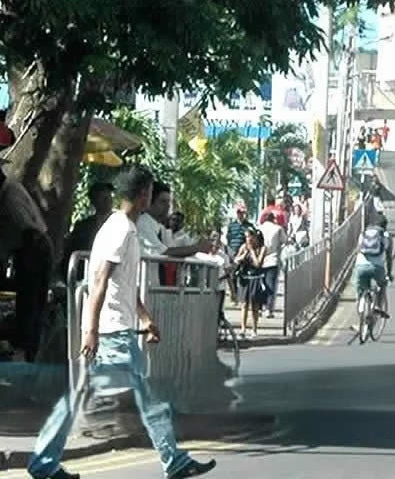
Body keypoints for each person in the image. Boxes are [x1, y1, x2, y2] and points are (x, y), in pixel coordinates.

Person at [27, 166, 216, 479]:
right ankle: (174, 460)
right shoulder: (120, 230)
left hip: (114, 329)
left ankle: (43, 464)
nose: (152, 199)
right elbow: (100, 281)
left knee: (82, 395)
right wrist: (91, 331)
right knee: (145, 397)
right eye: (151, 193)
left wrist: (145, 318)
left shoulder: (123, 227)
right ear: (143, 195)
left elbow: (123, 285)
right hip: (112, 333)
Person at [62, 182, 115, 280]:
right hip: (87, 276)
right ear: (93, 201)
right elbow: (71, 252)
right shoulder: (82, 227)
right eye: (103, 197)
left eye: (109, 196)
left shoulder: (120, 223)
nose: (107, 200)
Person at [354, 213, 394, 318]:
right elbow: (389, 257)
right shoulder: (386, 236)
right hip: (377, 268)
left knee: (360, 288)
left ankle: (360, 304)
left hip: (360, 266)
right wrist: (389, 273)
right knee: (382, 284)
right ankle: (377, 306)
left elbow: (358, 250)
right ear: (385, 226)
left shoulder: (363, 234)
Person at [234, 228, 268, 338]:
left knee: (255, 305)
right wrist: (243, 255)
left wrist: (252, 251)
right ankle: (243, 329)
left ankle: (254, 329)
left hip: (256, 278)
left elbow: (258, 264)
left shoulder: (262, 248)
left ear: (255, 237)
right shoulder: (243, 247)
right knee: (244, 304)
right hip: (245, 278)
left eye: (250, 237)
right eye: (246, 237)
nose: (248, 239)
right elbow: (236, 260)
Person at [258, 213, 284, 319]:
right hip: (273, 259)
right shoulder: (278, 229)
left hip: (259, 260)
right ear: (273, 219)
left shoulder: (259, 228)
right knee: (271, 285)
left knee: (260, 284)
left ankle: (259, 307)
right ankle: (269, 309)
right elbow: (284, 240)